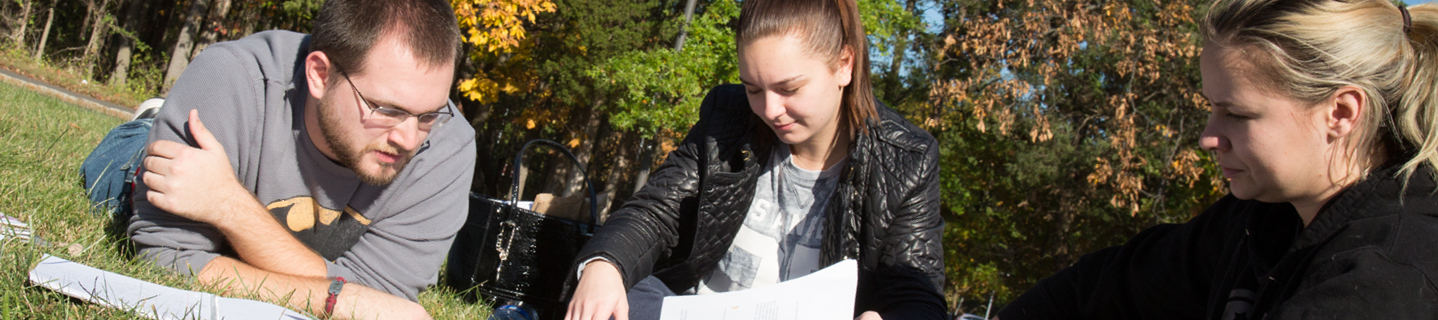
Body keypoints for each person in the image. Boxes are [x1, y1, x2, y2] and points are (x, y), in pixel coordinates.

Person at [998, 0, 1438, 319]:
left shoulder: (1390, 278)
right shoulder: (1256, 220)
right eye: (1211, 108)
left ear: (1340, 113)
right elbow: (1106, 285)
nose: (1209, 138)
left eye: (1237, 114)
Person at [563, 0, 945, 319]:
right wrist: (605, 263)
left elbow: (916, 290)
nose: (770, 109)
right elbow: (657, 212)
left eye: (788, 88)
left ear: (844, 64)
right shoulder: (728, 117)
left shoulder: (905, 159)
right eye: (753, 89)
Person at [96, 0, 475, 319]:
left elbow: (382, 300)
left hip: (226, 188)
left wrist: (229, 206)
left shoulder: (447, 146)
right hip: (134, 169)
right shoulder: (233, 77)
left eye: (428, 114)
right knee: (124, 166)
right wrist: (339, 298)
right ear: (319, 75)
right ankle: (152, 122)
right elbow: (167, 258)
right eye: (387, 109)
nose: (409, 139)